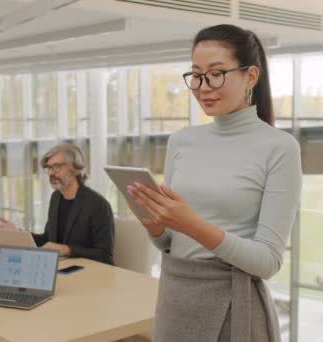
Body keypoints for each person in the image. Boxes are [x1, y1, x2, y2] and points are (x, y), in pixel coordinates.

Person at [127, 24, 302, 342]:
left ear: (251, 76)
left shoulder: (280, 148)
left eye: (216, 73)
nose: (203, 86)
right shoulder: (181, 141)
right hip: (175, 298)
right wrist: (155, 225)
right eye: (196, 75)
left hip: (234, 308)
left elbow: (267, 261)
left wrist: (193, 225)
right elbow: (171, 242)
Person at [0, 143, 115, 265]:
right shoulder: (56, 197)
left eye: (56, 166)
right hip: (63, 269)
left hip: (92, 273)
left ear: (74, 168)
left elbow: (105, 255)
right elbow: (48, 240)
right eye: (48, 168)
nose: (50, 173)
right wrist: (16, 233)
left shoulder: (98, 205)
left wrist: (67, 250)